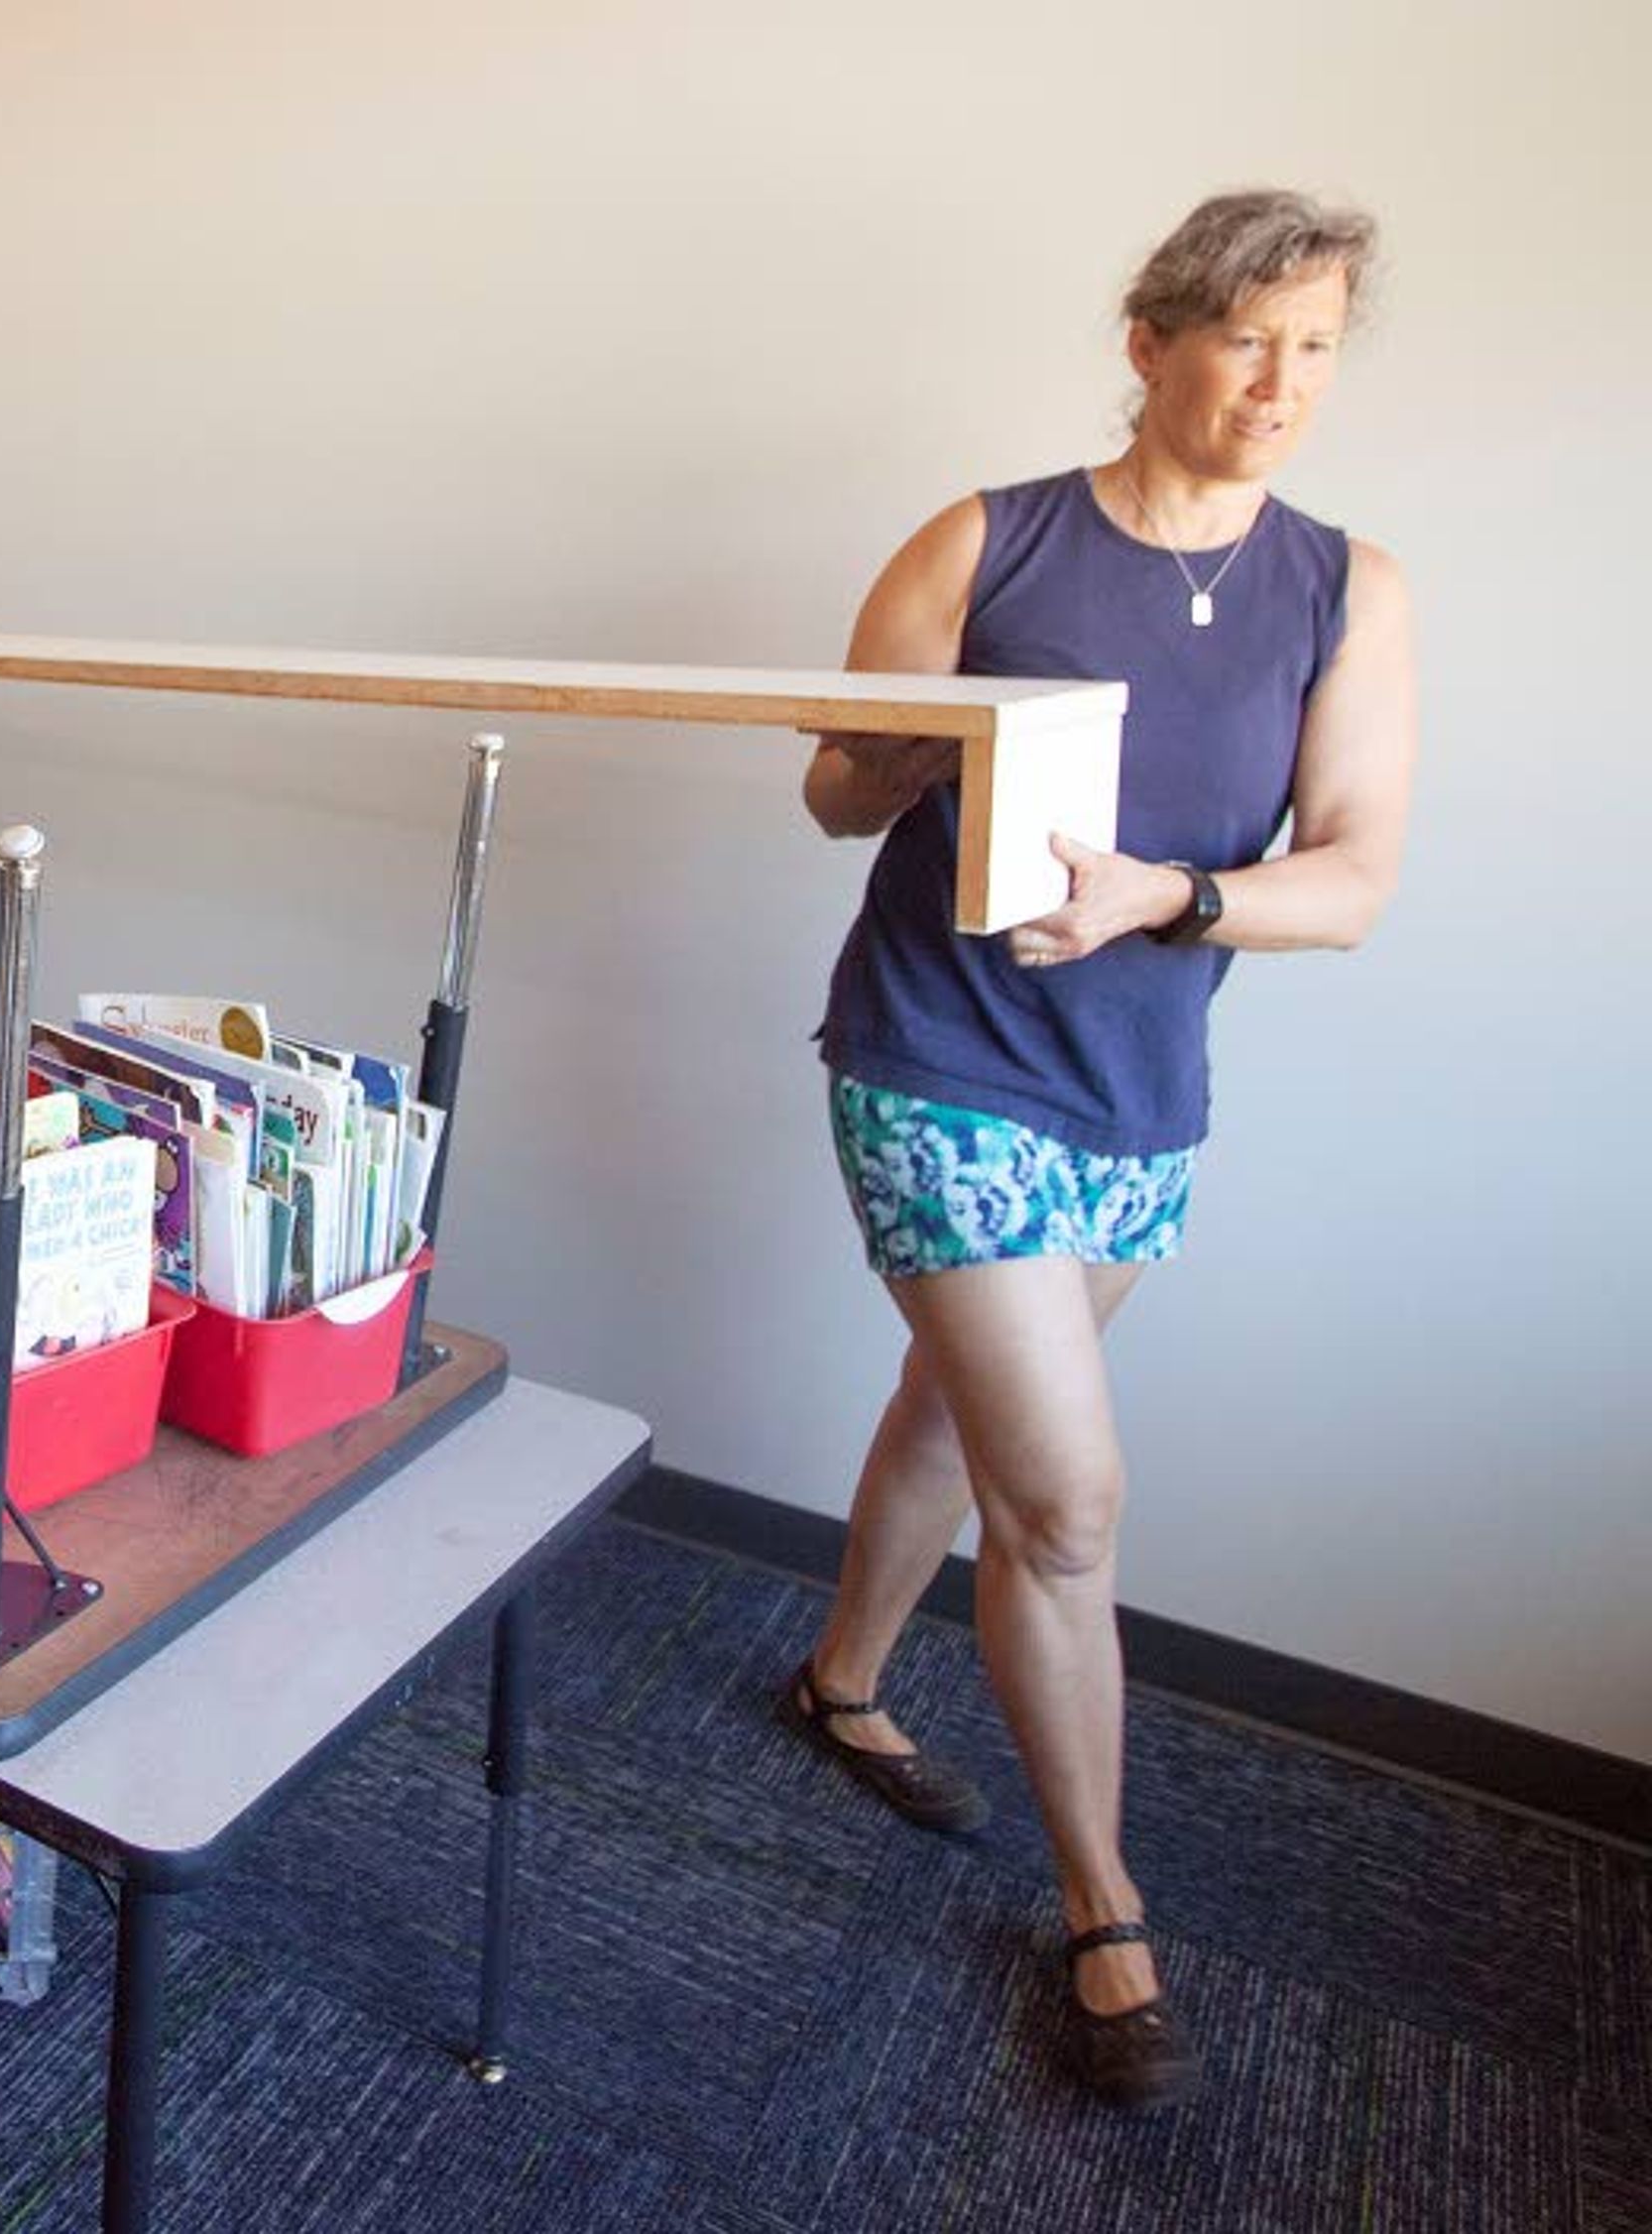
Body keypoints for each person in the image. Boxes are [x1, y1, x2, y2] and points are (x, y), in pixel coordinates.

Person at [787, 189, 1416, 2112]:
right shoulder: (991, 537)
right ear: (1150, 343)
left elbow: (1354, 879)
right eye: (1246, 338)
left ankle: (836, 1684)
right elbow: (831, 788)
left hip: (1141, 1095)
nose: (1281, 382)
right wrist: (930, 739)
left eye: (1316, 346)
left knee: (951, 1413)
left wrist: (1171, 896)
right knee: (1062, 1503)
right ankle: (1103, 1909)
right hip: (936, 1055)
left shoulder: (1348, 587)